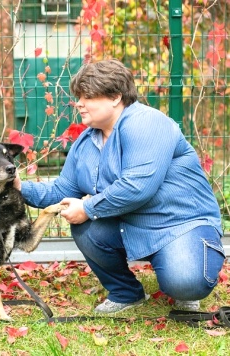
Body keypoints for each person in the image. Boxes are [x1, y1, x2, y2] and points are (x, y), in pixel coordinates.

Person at [14, 59, 225, 313]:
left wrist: (88, 207)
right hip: (133, 223)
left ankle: (184, 275)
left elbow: (137, 186)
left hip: (181, 224)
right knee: (87, 227)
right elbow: (61, 191)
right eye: (78, 96)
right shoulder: (86, 142)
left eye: (87, 96)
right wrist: (18, 187)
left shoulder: (147, 123)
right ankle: (126, 293)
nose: (78, 103)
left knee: (184, 281)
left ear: (115, 97)